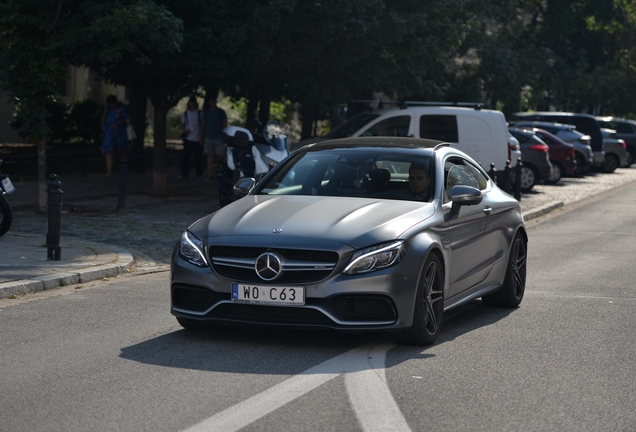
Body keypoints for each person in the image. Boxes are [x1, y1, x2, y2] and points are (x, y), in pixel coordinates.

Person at [101, 94, 129, 177]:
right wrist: (105, 112)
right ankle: (109, 170)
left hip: (119, 133)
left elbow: (127, 120)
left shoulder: (121, 110)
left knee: (121, 151)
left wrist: (121, 122)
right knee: (109, 152)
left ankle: (122, 168)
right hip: (109, 133)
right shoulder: (108, 112)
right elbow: (103, 123)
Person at [200, 96, 228, 180]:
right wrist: (201, 137)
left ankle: (225, 169)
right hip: (209, 136)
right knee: (209, 155)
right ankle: (210, 174)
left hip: (219, 137)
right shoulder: (206, 112)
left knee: (220, 155)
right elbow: (203, 125)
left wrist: (224, 137)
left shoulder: (221, 112)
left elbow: (225, 125)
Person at [179, 97, 204, 179]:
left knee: (198, 158)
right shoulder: (185, 114)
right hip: (188, 139)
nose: (192, 104)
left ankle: (199, 173)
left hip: (197, 138)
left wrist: (201, 137)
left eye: (193, 102)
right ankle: (184, 174)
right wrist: (185, 130)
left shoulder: (199, 113)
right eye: (190, 102)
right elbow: (183, 124)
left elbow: (202, 126)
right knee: (186, 157)